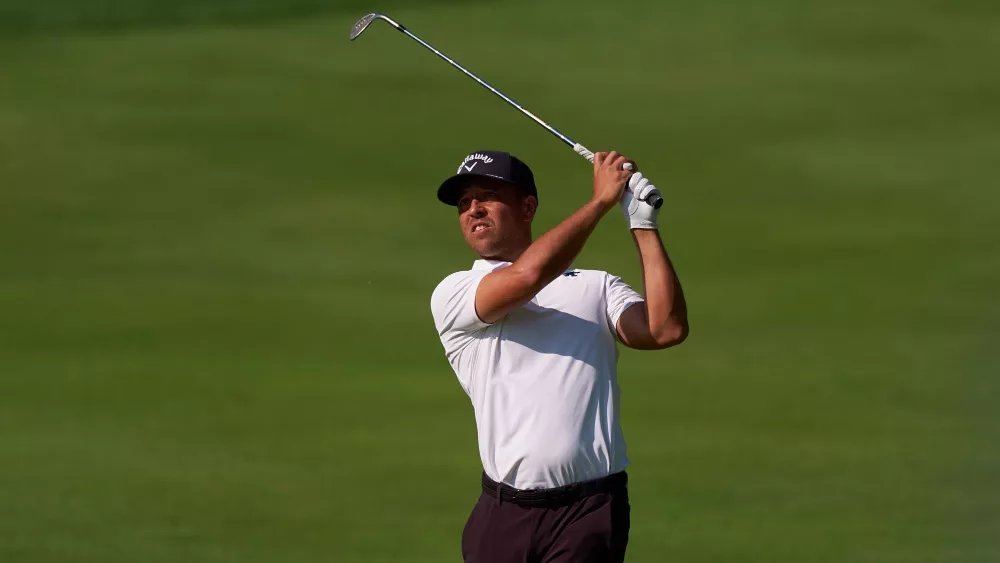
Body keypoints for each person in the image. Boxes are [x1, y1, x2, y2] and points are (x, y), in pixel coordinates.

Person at [429, 149, 689, 563]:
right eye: (463, 203)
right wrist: (601, 201)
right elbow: (527, 277)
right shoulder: (455, 292)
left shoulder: (596, 287)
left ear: (527, 207)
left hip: (588, 513)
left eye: (487, 196)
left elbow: (664, 328)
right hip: (502, 515)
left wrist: (642, 225)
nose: (472, 209)